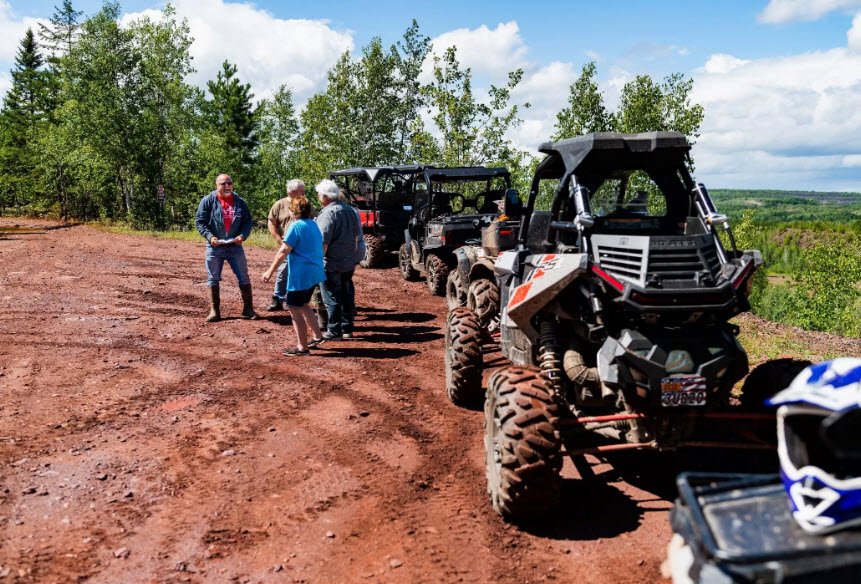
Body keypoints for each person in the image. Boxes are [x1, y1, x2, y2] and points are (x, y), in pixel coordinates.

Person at [262, 196, 326, 356]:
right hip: (314, 272)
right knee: (304, 304)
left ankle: (302, 347)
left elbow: (284, 250)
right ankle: (318, 336)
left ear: (293, 211)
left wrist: (270, 271)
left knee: (293, 307)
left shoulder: (295, 226)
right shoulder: (313, 224)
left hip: (301, 275)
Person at [195, 173, 258, 322]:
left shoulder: (240, 202)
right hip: (215, 246)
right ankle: (215, 311)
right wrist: (210, 237)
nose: (227, 186)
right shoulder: (208, 201)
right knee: (213, 278)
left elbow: (248, 221)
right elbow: (200, 221)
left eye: (229, 183)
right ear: (217, 185)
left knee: (243, 276)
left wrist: (243, 236)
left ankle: (248, 309)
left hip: (235, 246)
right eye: (223, 183)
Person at [315, 179, 361, 340]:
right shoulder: (350, 210)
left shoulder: (327, 213)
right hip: (348, 262)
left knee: (331, 296)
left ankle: (334, 330)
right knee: (347, 295)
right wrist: (352, 257)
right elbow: (356, 237)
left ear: (326, 197)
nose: (318, 197)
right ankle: (347, 328)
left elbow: (323, 241)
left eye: (319, 194)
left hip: (331, 263)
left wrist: (318, 263)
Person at [266, 179, 307, 311]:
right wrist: (278, 239)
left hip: (302, 246)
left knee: (300, 272)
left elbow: (314, 220)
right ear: (292, 191)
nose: (304, 192)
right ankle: (277, 299)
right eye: (302, 190)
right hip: (287, 244)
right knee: (282, 271)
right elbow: (271, 222)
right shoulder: (280, 204)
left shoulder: (306, 204)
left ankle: (297, 299)